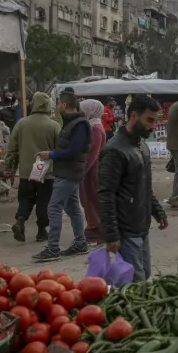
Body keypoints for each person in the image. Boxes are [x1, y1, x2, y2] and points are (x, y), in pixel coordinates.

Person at [98, 95, 169, 281]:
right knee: (135, 283)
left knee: (144, 275)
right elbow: (106, 194)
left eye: (155, 120)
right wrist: (111, 234)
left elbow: (144, 185)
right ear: (134, 116)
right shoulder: (114, 150)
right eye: (149, 120)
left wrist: (157, 211)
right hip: (126, 231)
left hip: (141, 227)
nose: (152, 126)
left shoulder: (142, 146)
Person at [32, 90, 91, 262]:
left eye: (58, 104)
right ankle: (80, 242)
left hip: (69, 173)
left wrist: (51, 155)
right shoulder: (70, 123)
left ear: (64, 105)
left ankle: (52, 248)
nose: (57, 107)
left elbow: (74, 151)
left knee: (54, 207)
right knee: (72, 208)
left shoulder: (79, 124)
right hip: (66, 172)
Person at [5, 92, 60, 243]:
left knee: (25, 198)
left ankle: (20, 221)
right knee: (44, 200)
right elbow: (60, 149)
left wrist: (9, 166)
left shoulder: (21, 123)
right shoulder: (53, 125)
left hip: (27, 169)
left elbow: (12, 148)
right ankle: (42, 231)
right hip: (45, 168)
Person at [79, 98, 108, 245]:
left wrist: (81, 172)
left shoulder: (95, 128)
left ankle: (96, 230)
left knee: (91, 201)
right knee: (89, 200)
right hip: (92, 170)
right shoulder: (93, 125)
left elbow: (92, 154)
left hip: (92, 172)